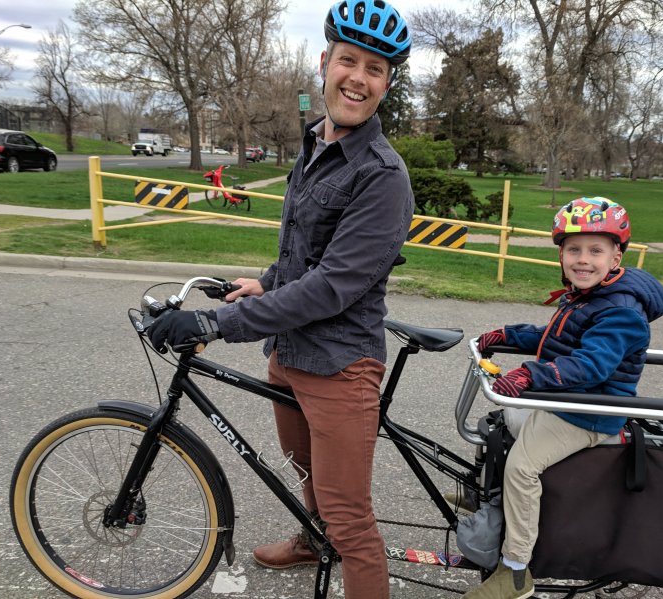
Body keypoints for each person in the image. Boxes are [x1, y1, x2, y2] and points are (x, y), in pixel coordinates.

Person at [148, 1, 413, 597]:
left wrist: (216, 322)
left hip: (341, 365)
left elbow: (331, 285)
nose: (358, 77)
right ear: (325, 64)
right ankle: (309, 539)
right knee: (307, 473)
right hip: (289, 352)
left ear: (386, 83)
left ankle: (337, 545)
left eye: (375, 69)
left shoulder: (383, 175)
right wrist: (266, 282)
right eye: (349, 61)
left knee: (352, 520)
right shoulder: (315, 145)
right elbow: (304, 254)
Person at [462, 197, 663, 599]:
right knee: (503, 424)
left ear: (616, 257)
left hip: (589, 414)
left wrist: (528, 375)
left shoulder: (621, 310)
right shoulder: (587, 296)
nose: (583, 259)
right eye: (574, 249)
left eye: (596, 250)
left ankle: (516, 572)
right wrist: (508, 334)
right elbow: (557, 336)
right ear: (561, 254)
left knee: (522, 468)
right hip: (569, 402)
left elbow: (591, 365)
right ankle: (493, 498)